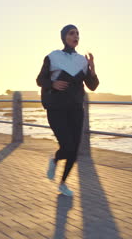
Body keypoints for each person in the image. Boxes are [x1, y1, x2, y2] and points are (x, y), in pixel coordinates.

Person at [36, 24, 99, 196]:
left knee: (74, 149)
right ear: (64, 37)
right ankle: (55, 160)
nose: (76, 36)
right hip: (56, 109)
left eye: (78, 33)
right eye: (72, 33)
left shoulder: (82, 60)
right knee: (67, 145)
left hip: (76, 109)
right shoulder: (53, 57)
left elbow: (92, 86)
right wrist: (53, 83)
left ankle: (63, 183)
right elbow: (40, 79)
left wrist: (92, 68)